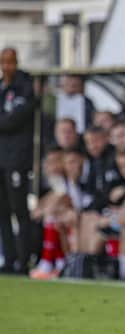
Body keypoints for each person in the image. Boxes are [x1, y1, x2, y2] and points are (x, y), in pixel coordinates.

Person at [0, 47, 35, 274]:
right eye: (3, 62)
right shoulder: (2, 87)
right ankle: (9, 258)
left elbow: (15, 120)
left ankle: (24, 260)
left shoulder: (25, 86)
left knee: (19, 210)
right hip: (1, 158)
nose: (7, 66)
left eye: (10, 62)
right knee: (2, 211)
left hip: (17, 159)